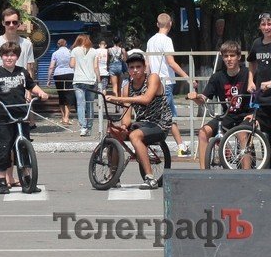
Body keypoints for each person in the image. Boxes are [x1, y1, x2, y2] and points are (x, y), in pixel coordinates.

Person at [0, 41, 50, 194]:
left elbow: (31, 85)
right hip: (3, 116)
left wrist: (41, 93)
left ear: (17, 57)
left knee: (24, 148)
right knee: (3, 148)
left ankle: (27, 179)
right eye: (6, 55)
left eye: (12, 55)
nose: (9, 58)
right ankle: (2, 180)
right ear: (1, 57)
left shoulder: (22, 72)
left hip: (21, 114)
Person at [106, 49, 170, 189]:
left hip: (160, 124)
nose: (135, 70)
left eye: (138, 67)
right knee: (113, 132)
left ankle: (150, 178)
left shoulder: (153, 78)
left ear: (144, 67)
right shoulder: (127, 86)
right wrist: (123, 127)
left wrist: (118, 98)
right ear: (128, 69)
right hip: (142, 124)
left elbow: (146, 99)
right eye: (132, 67)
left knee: (135, 136)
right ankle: (114, 175)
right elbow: (127, 114)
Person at [188, 41, 250, 170]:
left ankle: (247, 174)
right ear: (222, 57)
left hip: (246, 114)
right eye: (226, 56)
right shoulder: (217, 77)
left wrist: (253, 113)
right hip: (228, 115)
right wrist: (195, 97)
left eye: (232, 56)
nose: (229, 59)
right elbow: (203, 99)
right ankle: (203, 171)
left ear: (239, 57)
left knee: (242, 133)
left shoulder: (247, 73)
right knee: (203, 132)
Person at [146, 13, 192, 156]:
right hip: (165, 82)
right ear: (170, 24)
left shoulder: (150, 41)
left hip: (153, 82)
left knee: (160, 115)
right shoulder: (166, 40)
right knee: (170, 115)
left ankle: (180, 145)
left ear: (157, 24)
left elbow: (147, 63)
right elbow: (171, 62)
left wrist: (148, 81)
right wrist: (187, 77)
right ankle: (181, 147)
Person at [0, 8, 35, 72]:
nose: (11, 25)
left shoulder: (27, 44)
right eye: (8, 23)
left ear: (19, 23)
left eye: (14, 22)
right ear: (3, 23)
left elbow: (29, 70)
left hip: (21, 81)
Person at [245, 11, 271, 134]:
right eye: (263, 24)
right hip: (262, 96)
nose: (267, 27)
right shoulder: (257, 43)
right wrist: (250, 81)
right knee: (264, 134)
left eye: (269, 24)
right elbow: (252, 62)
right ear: (259, 26)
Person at [69, 34, 99, 136]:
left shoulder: (75, 50)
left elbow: (72, 65)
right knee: (90, 104)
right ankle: (89, 127)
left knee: (80, 104)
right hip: (91, 80)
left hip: (78, 80)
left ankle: (83, 127)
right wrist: (99, 81)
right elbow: (96, 67)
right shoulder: (94, 51)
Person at [46, 38, 74, 126]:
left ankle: (62, 117)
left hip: (58, 74)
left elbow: (51, 67)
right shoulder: (70, 52)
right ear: (66, 44)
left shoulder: (55, 53)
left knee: (61, 95)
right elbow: (74, 64)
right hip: (69, 73)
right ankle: (67, 117)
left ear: (58, 45)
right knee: (69, 95)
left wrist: (49, 79)